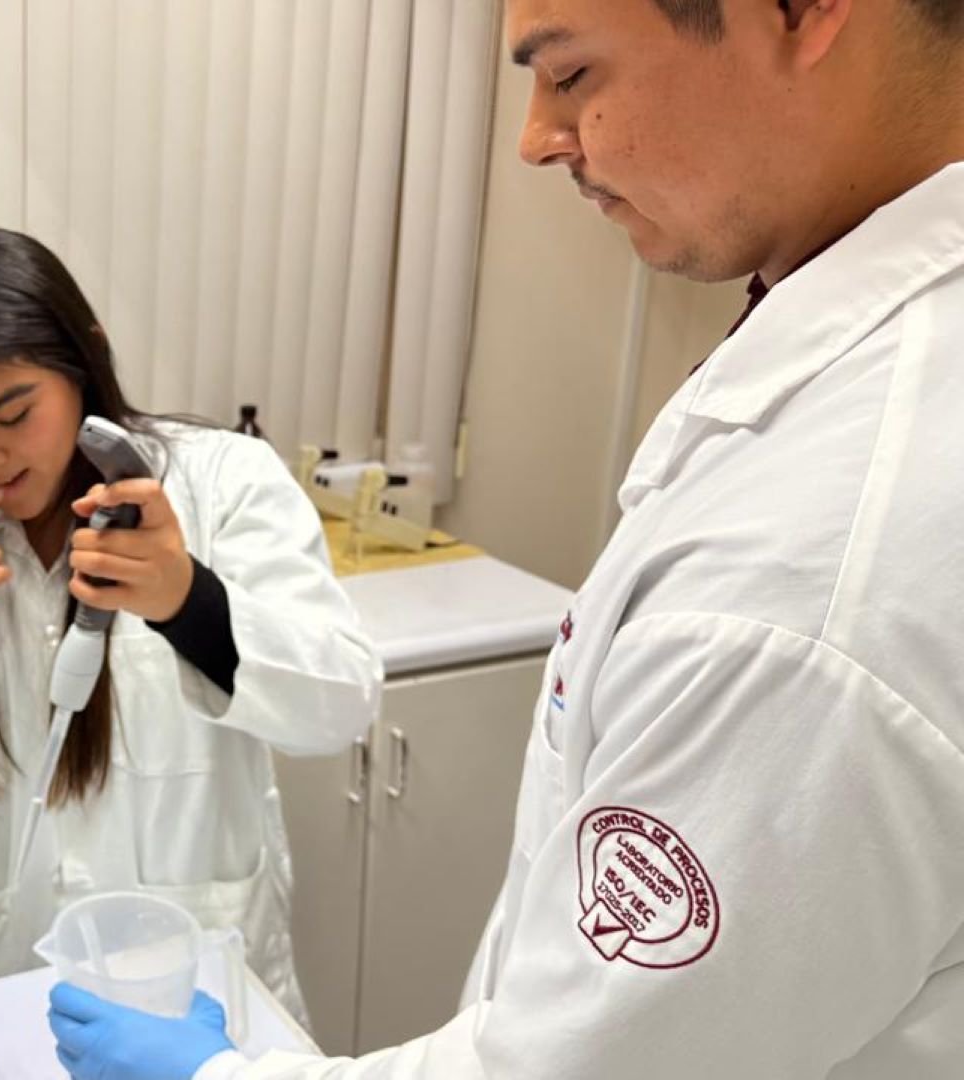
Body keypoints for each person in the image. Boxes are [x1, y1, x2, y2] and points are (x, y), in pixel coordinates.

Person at [47, 0, 964, 1076]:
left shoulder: (810, 578)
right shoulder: (838, 373)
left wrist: (217, 1077)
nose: (532, 138)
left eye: (569, 74)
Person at [0, 227, 382, 1019]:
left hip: (193, 979)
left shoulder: (220, 481)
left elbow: (338, 706)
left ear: (81, 362)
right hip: (8, 967)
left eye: (13, 414)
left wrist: (185, 599)